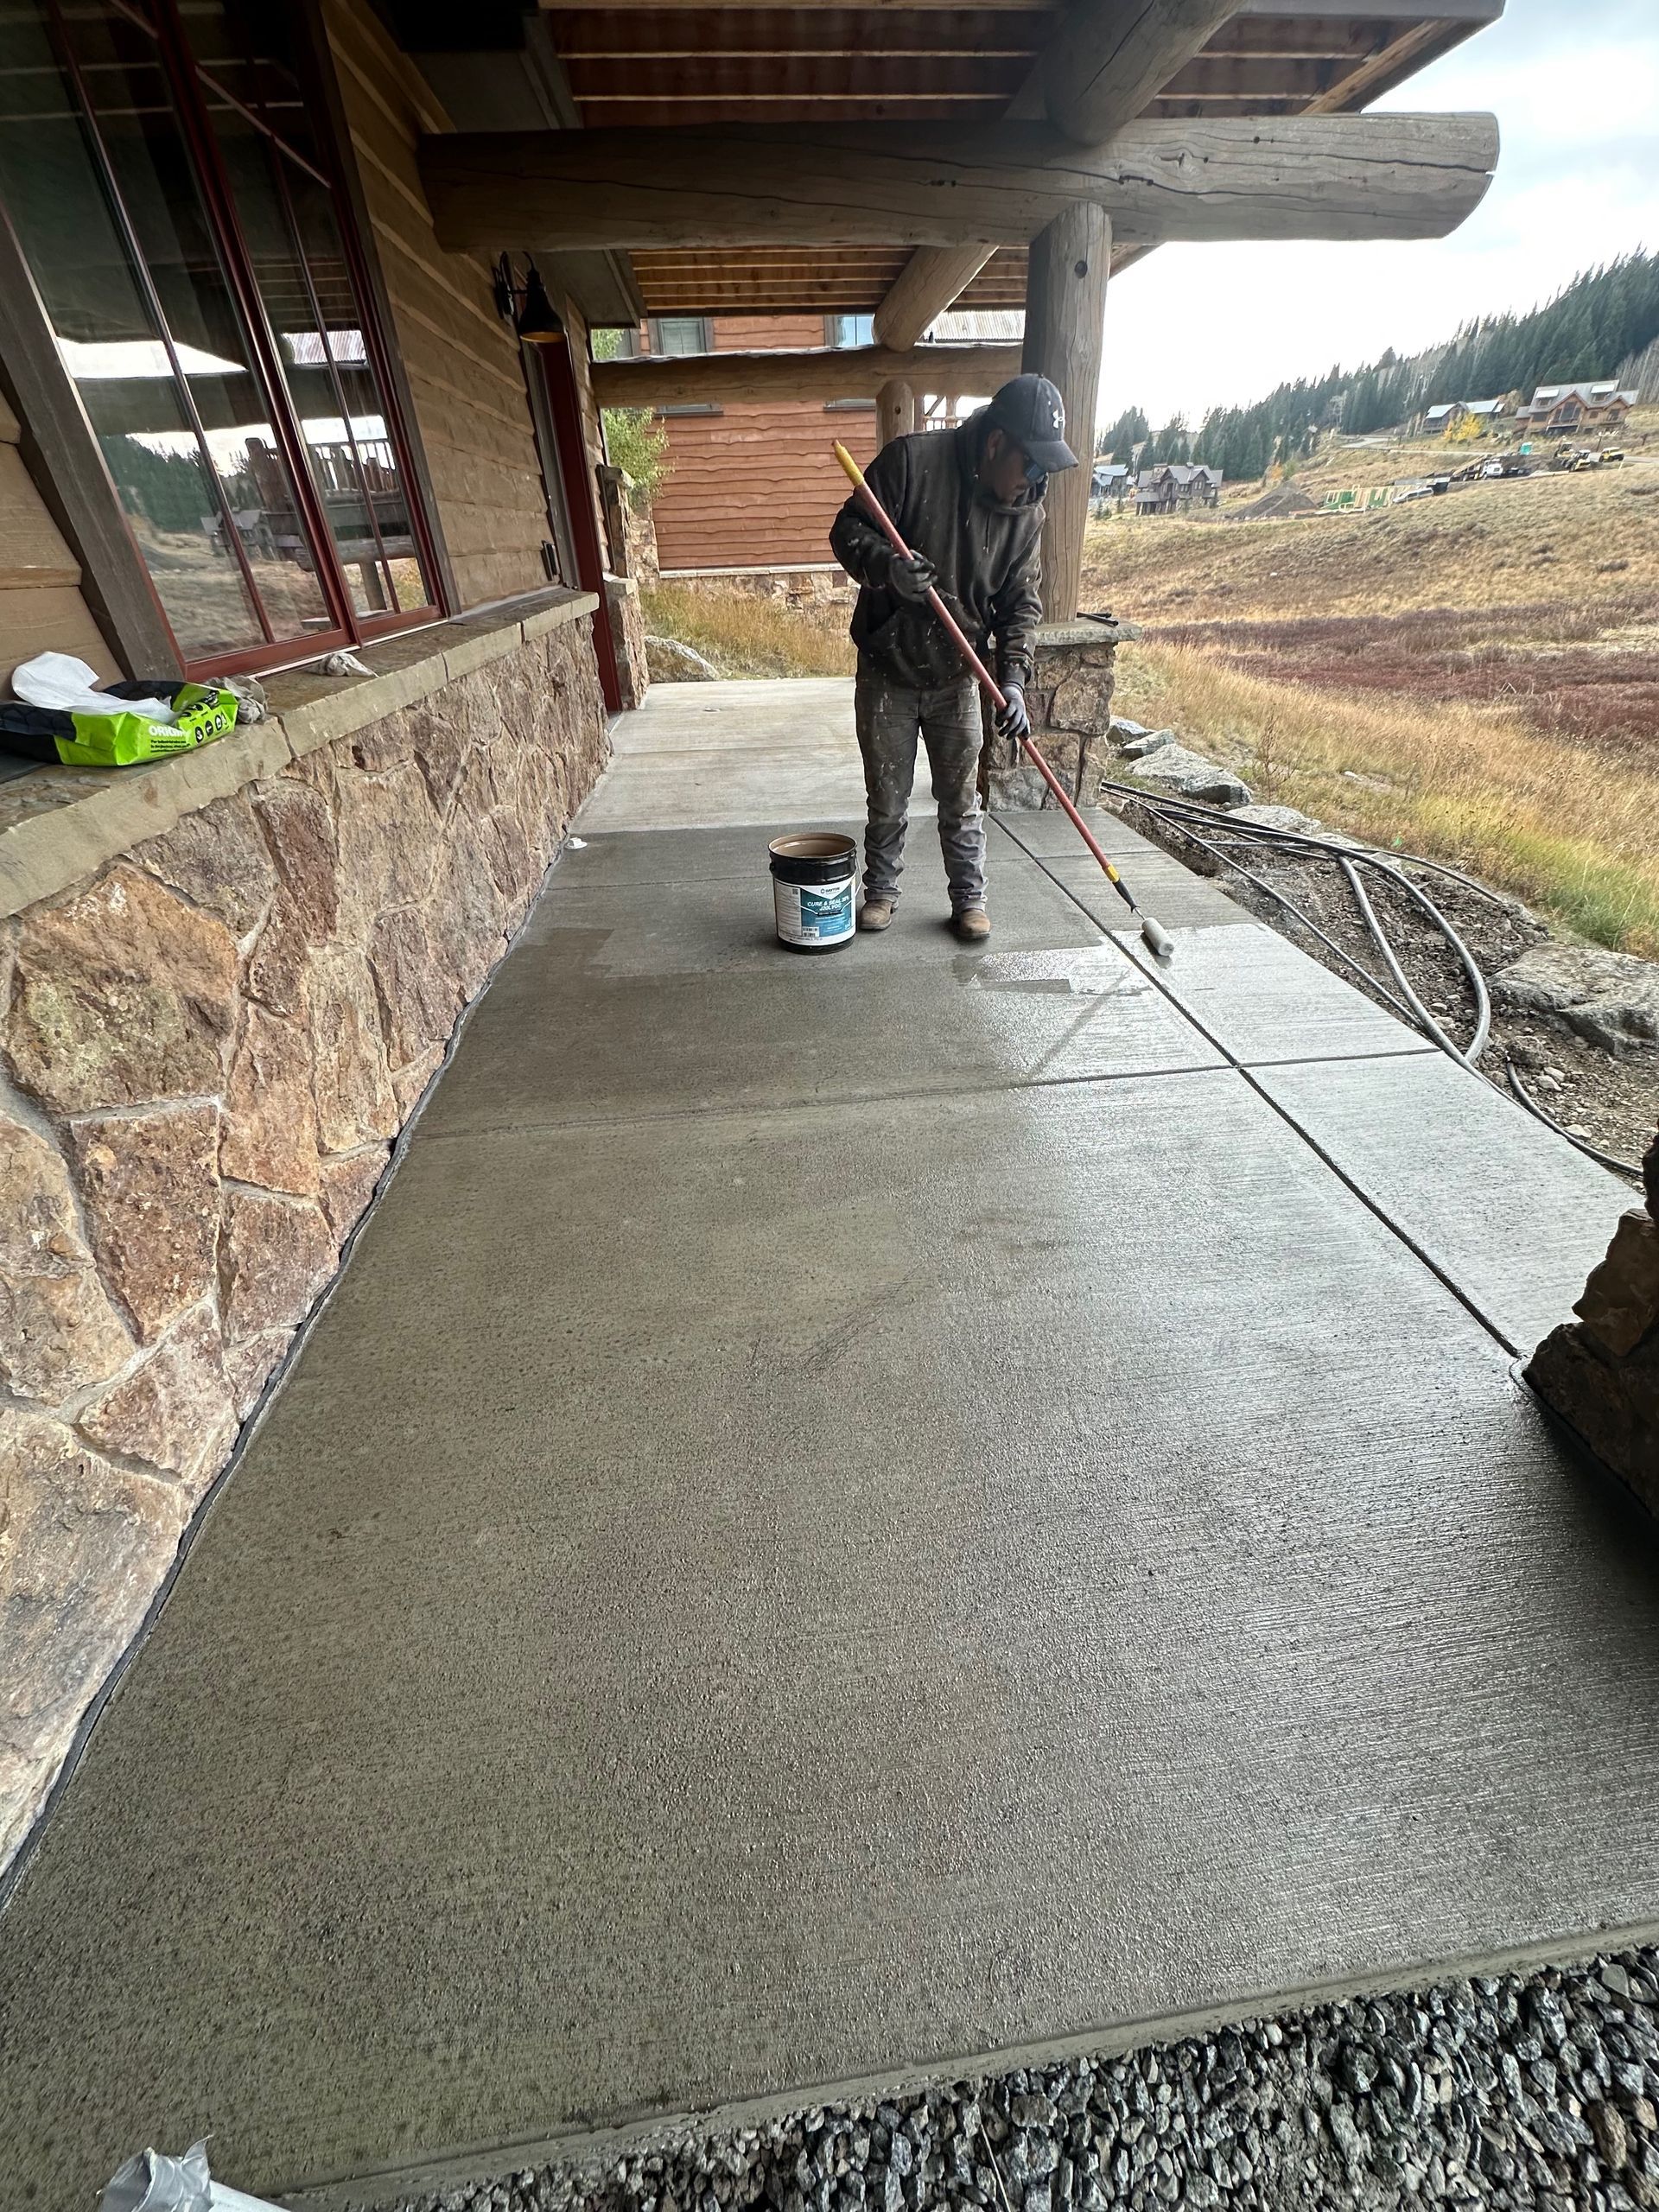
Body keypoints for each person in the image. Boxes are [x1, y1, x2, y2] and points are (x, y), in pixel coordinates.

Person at [828, 373, 1077, 941]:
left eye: (1046, 470)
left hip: (957, 676)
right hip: (888, 667)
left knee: (961, 802)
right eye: (1032, 465)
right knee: (887, 798)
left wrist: (1012, 681)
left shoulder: (1027, 518)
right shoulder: (911, 464)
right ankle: (883, 893)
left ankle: (969, 901)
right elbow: (847, 531)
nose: (1038, 482)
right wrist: (888, 570)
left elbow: (1021, 606)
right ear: (996, 445)